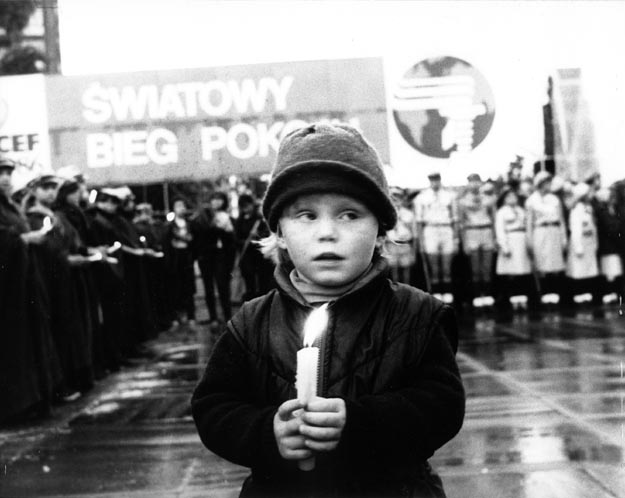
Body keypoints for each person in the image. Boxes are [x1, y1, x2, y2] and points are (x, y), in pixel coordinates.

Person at [192, 123, 465, 497]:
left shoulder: (415, 315)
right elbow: (214, 407)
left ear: (381, 230)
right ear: (280, 233)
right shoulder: (251, 322)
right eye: (306, 215)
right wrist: (267, 432)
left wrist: (359, 423)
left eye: (349, 215)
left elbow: (441, 407)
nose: (328, 232)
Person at [494, 188, 540, 321]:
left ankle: (522, 298)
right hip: (510, 239)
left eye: (514, 195)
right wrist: (504, 246)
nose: (512, 198)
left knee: (523, 272)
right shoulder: (502, 212)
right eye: (509, 196)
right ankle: (511, 299)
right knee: (510, 273)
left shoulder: (521, 211)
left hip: (522, 240)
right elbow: (500, 230)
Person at [525, 171, 568, 308]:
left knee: (555, 264)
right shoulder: (532, 200)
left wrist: (563, 238)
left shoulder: (555, 199)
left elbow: (561, 220)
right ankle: (545, 295)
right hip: (540, 231)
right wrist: (529, 240)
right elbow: (529, 222)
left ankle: (555, 295)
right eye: (546, 182)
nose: (549, 185)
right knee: (542, 263)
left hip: (554, 231)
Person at [413, 171, 459, 294]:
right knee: (433, 266)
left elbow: (455, 219)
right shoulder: (422, 197)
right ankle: (437, 294)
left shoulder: (450, 196)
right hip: (430, 230)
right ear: (429, 181)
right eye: (432, 180)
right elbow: (419, 221)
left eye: (437, 179)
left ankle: (448, 294)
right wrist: (421, 241)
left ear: (440, 179)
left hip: (446, 228)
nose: (435, 182)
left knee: (446, 265)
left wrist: (456, 238)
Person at [458, 173, 496, 306]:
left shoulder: (489, 199)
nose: (474, 184)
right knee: (475, 268)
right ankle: (477, 296)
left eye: (477, 181)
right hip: (471, 231)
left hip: (486, 230)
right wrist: (464, 242)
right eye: (471, 181)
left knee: (487, 267)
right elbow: (461, 223)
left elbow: (494, 219)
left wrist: (495, 238)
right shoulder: (462, 201)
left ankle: (487, 295)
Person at [564, 183, 602, 311]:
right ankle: (578, 296)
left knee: (589, 270)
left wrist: (595, 243)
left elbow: (593, 227)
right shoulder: (576, 209)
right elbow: (575, 229)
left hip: (589, 242)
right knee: (579, 271)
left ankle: (588, 295)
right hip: (580, 242)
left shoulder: (588, 208)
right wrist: (578, 246)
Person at [233, 193, 275, 300]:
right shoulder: (239, 221)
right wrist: (246, 242)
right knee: (249, 282)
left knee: (263, 282)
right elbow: (236, 238)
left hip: (259, 256)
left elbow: (266, 235)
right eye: (243, 206)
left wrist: (255, 239)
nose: (246, 209)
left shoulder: (259, 219)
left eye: (247, 205)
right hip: (247, 256)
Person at [166, 197, 196, 326]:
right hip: (175, 258)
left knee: (188, 287)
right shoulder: (170, 225)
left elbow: (193, 239)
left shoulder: (190, 223)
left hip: (187, 257)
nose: (181, 208)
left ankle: (191, 316)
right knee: (175, 287)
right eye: (178, 206)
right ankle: (176, 317)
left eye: (182, 206)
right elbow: (168, 241)